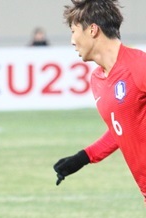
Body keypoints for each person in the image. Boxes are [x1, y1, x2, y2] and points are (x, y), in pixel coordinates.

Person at [54, 1, 146, 204]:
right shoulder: (97, 80)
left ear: (93, 30)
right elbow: (122, 127)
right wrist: (83, 157)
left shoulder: (138, 65)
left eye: (73, 31)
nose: (72, 41)